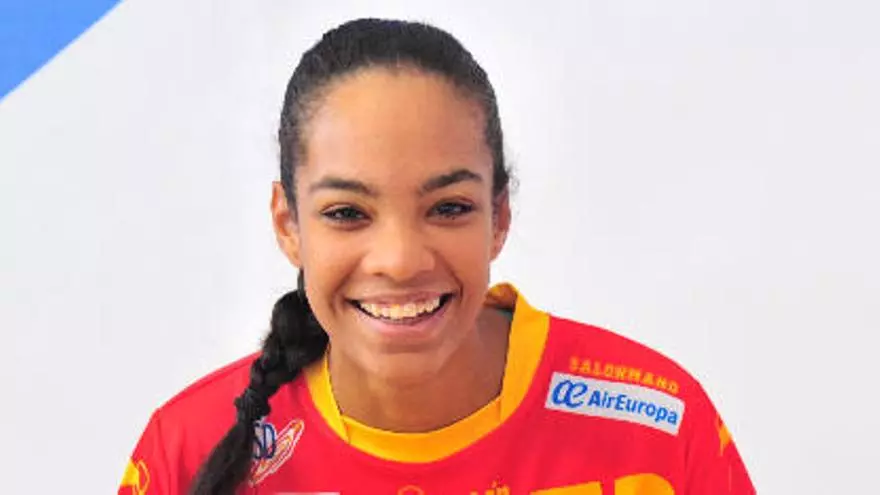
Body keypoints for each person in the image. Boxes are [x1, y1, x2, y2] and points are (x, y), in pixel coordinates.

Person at [118, 18, 755, 495]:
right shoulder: (189, 452)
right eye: (347, 213)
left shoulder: (655, 430)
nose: (399, 260)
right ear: (289, 225)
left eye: (448, 207)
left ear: (499, 217)